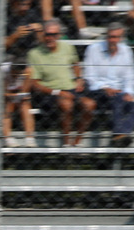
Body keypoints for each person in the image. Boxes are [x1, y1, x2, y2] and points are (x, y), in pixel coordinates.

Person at [28, 18, 91, 146]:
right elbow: (34, 83)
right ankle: (66, 142)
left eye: (54, 34)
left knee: (89, 105)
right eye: (47, 34)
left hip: (71, 88)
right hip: (49, 92)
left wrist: (79, 79)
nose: (50, 38)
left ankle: (77, 142)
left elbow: (76, 63)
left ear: (59, 35)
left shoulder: (67, 47)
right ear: (43, 34)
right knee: (66, 104)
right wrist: (57, 92)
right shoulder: (34, 54)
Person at [83, 21, 134, 147]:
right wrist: (105, 88)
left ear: (121, 38)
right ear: (106, 36)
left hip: (119, 92)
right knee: (118, 99)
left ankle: (121, 135)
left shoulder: (127, 51)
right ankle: (119, 134)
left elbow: (129, 75)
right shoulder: (93, 50)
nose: (113, 40)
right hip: (98, 90)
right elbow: (89, 76)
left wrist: (129, 92)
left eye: (116, 37)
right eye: (110, 37)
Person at [4, 59, 37, 146]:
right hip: (6, 98)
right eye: (14, 74)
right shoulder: (3, 70)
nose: (16, 76)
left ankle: (30, 138)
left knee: (25, 106)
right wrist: (11, 95)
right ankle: (7, 139)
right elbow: (1, 92)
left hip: (18, 96)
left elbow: (25, 91)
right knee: (8, 106)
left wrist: (18, 95)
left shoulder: (28, 71)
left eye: (18, 74)